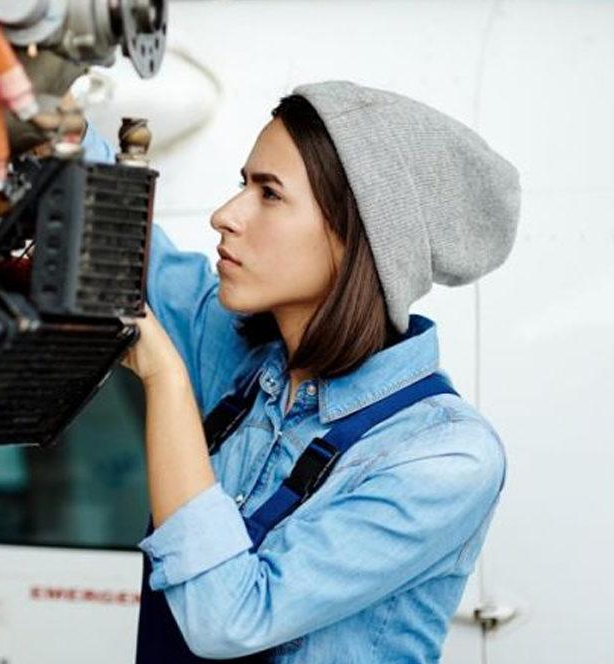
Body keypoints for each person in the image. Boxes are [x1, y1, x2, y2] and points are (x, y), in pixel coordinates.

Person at [83, 81, 520, 662]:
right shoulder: (241, 357)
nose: (225, 215)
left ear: (356, 237)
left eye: (269, 194)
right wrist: (42, 114)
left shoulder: (445, 457)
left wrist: (165, 379)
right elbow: (118, 240)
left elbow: (229, 620)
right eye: (244, 184)